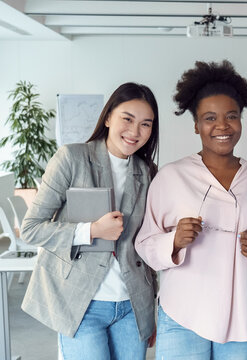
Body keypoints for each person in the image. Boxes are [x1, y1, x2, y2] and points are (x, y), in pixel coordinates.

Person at [135, 60, 247, 360]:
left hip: (240, 312)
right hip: (184, 312)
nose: (222, 126)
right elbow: (145, 244)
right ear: (196, 125)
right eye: (210, 118)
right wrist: (173, 241)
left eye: (232, 116)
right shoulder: (172, 176)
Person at [21, 82, 160, 359]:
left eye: (146, 124)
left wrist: (149, 310)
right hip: (82, 304)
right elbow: (31, 229)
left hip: (132, 307)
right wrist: (91, 230)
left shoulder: (147, 172)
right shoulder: (72, 158)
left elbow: (145, 246)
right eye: (127, 119)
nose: (135, 132)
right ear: (108, 117)